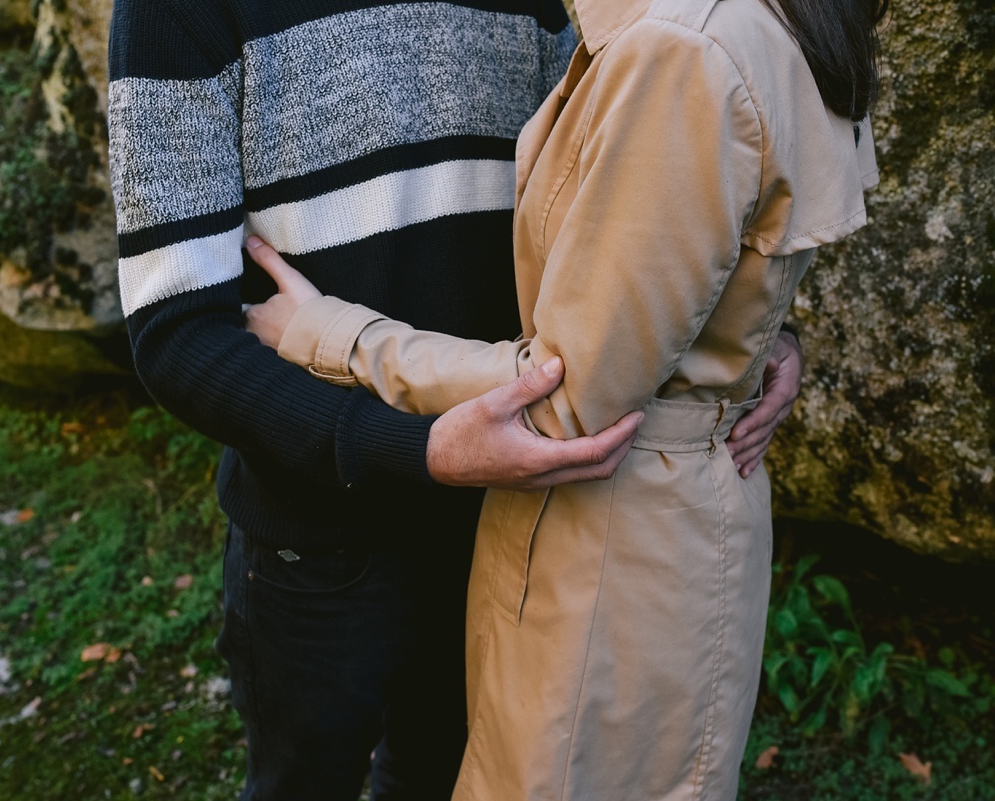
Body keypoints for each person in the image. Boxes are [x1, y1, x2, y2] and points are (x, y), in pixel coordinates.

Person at [106, 1, 806, 798]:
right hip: (319, 543)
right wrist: (419, 449)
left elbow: (628, 228)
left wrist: (756, 331)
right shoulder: (173, 10)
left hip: (509, 525)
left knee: (447, 780)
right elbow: (177, 331)